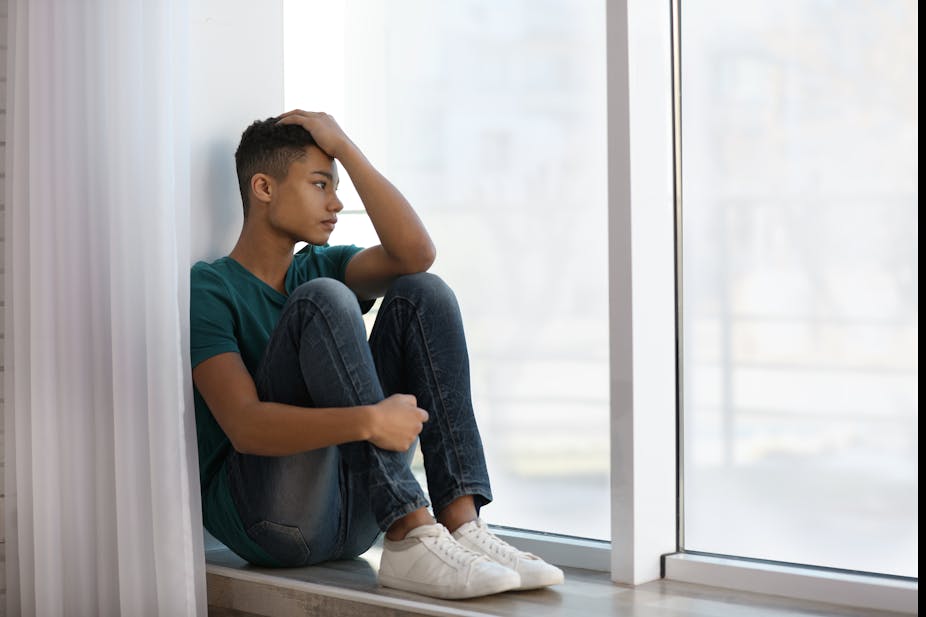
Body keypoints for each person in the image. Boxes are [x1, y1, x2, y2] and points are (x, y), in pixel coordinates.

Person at [190, 110, 564, 599]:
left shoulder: (321, 263)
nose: (337, 202)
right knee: (324, 298)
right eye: (321, 184)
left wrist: (343, 145)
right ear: (264, 188)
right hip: (270, 520)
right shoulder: (211, 288)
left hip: (352, 516)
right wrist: (367, 421)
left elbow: (416, 254)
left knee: (422, 291)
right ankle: (410, 526)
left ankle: (458, 525)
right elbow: (245, 425)